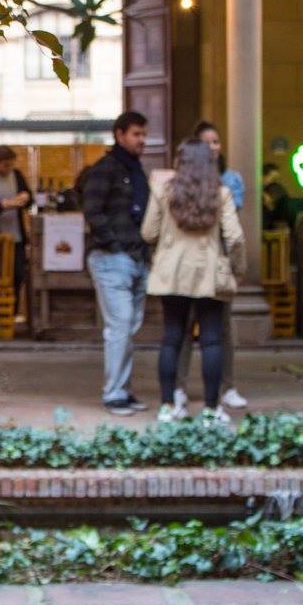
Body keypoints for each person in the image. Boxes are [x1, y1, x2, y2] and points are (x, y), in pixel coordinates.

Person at [142, 139, 245, 425]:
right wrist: (237, 269)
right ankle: (211, 410)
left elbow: (148, 233)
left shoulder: (163, 191)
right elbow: (235, 238)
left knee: (171, 338)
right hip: (208, 273)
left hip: (172, 273)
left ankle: (167, 406)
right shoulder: (221, 194)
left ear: (180, 161)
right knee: (212, 340)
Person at [171, 121, 248, 411]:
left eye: (216, 141)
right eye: (207, 143)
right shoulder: (179, 181)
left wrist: (236, 268)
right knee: (185, 328)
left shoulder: (230, 180)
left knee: (220, 330)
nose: (213, 147)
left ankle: (226, 386)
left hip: (218, 262)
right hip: (189, 264)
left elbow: (232, 228)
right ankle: (178, 387)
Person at [82, 111, 151, 416]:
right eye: (136, 134)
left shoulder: (136, 170)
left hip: (136, 257)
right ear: (119, 135)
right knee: (120, 325)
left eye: (144, 134)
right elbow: (92, 211)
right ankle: (114, 393)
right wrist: (113, 244)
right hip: (112, 258)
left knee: (128, 327)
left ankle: (122, 389)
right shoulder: (105, 169)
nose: (142, 140)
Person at [0, 145, 33, 313]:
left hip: (16, 237)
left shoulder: (17, 175)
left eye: (11, 165)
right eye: (5, 165)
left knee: (17, 275)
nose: (8, 169)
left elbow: (29, 199)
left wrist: (25, 197)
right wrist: (3, 205)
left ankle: (12, 312)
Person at [261, 163, 303, 235]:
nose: (275, 182)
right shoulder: (264, 189)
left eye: (276, 179)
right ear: (263, 176)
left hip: (276, 224)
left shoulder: (276, 188)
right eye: (273, 179)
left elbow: (269, 204)